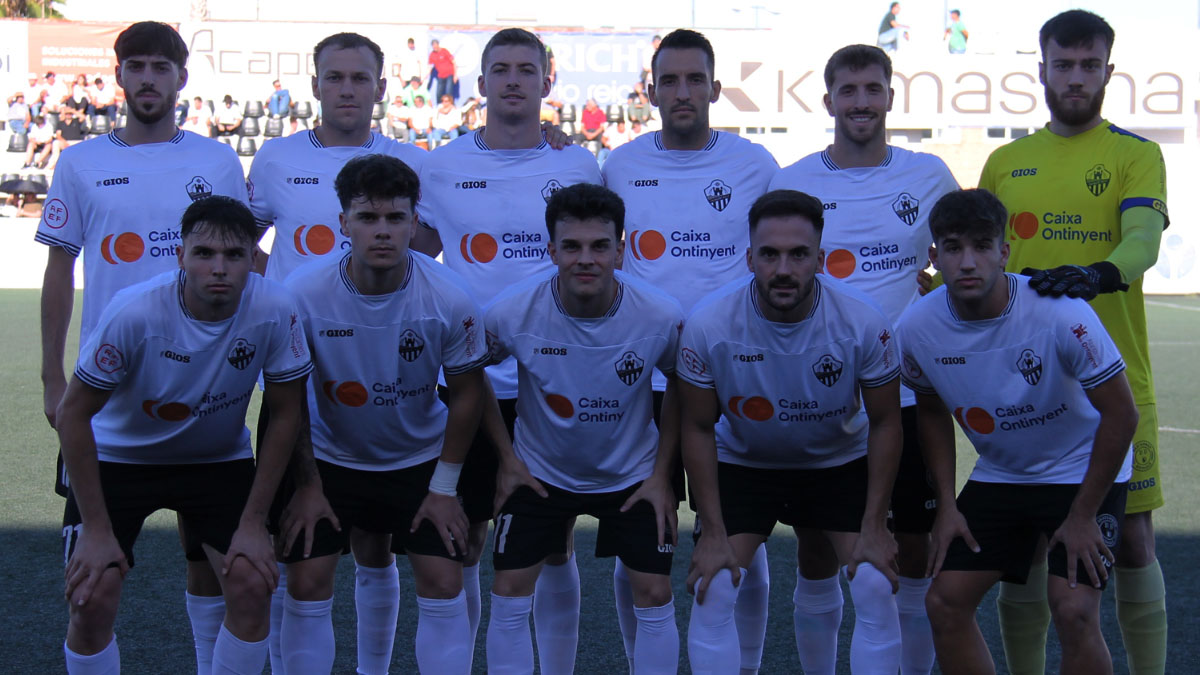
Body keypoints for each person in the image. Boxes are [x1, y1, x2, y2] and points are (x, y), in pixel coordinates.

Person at [36, 21, 249, 674]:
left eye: (163, 66)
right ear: (120, 75)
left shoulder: (215, 161)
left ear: (182, 78)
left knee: (227, 572)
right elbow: (58, 272)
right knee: (91, 590)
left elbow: (243, 262)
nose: (149, 78)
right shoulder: (80, 161)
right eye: (137, 66)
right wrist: (51, 377)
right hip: (109, 412)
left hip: (207, 399)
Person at [977, 10, 1169, 675]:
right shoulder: (1006, 161)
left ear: (1108, 73)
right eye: (1065, 64)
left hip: (1113, 384)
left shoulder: (1135, 154)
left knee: (1136, 540)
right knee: (1028, 547)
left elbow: (1143, 240)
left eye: (1091, 65)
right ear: (1042, 71)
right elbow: (982, 258)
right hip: (1025, 385)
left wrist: (1098, 273)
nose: (1077, 77)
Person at [57, 195, 312, 675]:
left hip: (216, 462)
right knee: (91, 597)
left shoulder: (276, 308)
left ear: (253, 261)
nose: (219, 268)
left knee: (253, 584)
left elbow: (285, 413)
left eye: (234, 255)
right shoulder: (135, 313)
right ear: (180, 256)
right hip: (119, 461)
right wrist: (95, 530)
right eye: (204, 254)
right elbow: (73, 415)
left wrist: (255, 522)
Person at [411, 26, 601, 672]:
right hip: (463, 385)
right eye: (502, 69)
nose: (514, 79)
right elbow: (418, 257)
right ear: (481, 82)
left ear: (548, 82)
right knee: (459, 540)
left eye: (527, 68)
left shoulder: (577, 164)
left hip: (554, 386)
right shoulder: (438, 166)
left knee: (552, 547)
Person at [770, 43, 959, 675]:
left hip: (904, 397)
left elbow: (956, 257)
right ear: (827, 101)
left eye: (871, 89)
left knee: (909, 549)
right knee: (818, 551)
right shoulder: (793, 180)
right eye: (847, 91)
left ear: (889, 97)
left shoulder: (928, 174)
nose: (860, 102)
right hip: (819, 397)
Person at [245, 30, 428, 675]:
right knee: (293, 537)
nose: (347, 89)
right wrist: (283, 293)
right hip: (298, 370)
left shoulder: (412, 159)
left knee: (377, 543)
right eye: (334, 77)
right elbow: (245, 241)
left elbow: (428, 246)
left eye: (360, 79)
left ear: (380, 87)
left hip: (383, 371)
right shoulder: (274, 158)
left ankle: (373, 667)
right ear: (315, 83)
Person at [897, 188, 1138, 675]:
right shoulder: (916, 328)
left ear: (1005, 252)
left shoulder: (1061, 313)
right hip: (1003, 473)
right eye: (953, 247)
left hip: (1081, 470)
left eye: (983, 246)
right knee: (944, 602)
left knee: (1072, 610)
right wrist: (946, 506)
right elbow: (930, 412)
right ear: (933, 257)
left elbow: (1122, 415)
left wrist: (1083, 514)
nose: (968, 262)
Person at [602, 27, 778, 674]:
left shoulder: (754, 165)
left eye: (694, 79)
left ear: (716, 88)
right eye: (669, 80)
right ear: (650, 92)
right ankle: (637, 660)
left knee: (738, 542)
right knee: (638, 543)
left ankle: (748, 664)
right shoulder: (619, 164)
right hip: (639, 383)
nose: (682, 92)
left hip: (733, 382)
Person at [276, 153, 486, 674]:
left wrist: (443, 488)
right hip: (329, 461)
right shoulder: (302, 294)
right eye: (368, 218)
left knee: (442, 579)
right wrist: (306, 484)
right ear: (342, 223)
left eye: (396, 218)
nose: (383, 231)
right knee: (305, 581)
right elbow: (289, 399)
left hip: (418, 462)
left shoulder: (450, 297)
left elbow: (466, 395)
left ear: (416, 224)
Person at [680, 189, 903, 675]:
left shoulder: (864, 321)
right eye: (770, 254)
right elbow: (697, 426)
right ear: (749, 258)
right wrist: (713, 531)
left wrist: (875, 524)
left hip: (836, 464)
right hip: (744, 465)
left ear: (820, 259)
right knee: (713, 585)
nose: (784, 269)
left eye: (799, 254)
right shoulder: (708, 323)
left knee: (873, 582)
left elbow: (887, 421)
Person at [484, 182, 683, 674]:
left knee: (655, 592)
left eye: (599, 246)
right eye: (571, 246)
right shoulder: (512, 311)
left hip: (632, 474)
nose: (585, 259)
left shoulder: (659, 314)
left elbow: (683, 381)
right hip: (540, 472)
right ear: (551, 250)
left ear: (622, 248)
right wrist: (507, 459)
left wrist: (662, 475)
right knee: (509, 591)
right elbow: (467, 372)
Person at [427, 39, 457, 105]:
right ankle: (439, 107)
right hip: (440, 76)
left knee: (449, 92)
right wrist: (424, 77)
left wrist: (455, 75)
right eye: (433, 46)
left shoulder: (444, 51)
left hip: (449, 74)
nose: (435, 48)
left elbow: (454, 62)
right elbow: (430, 67)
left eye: (436, 46)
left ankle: (451, 106)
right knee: (439, 93)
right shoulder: (432, 54)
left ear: (438, 45)